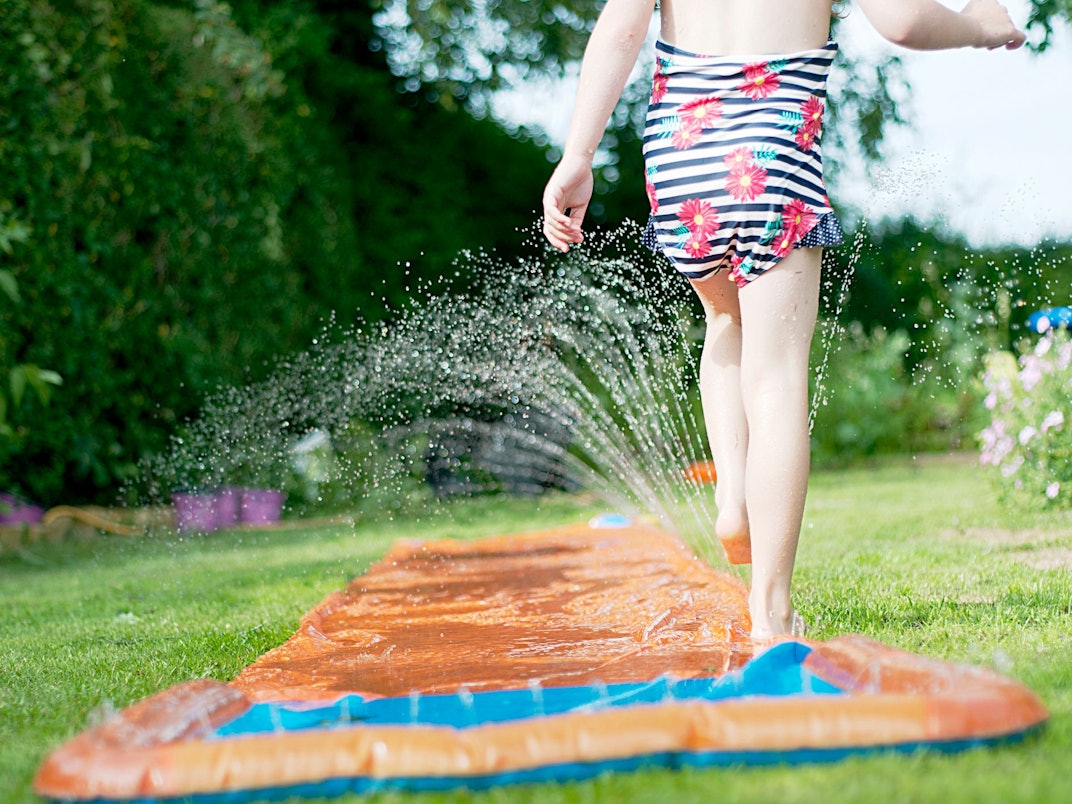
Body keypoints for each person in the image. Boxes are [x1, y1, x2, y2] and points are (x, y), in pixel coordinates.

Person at [542, 0, 1025, 641]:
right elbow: (904, 23)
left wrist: (579, 155)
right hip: (770, 161)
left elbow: (618, 32)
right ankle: (770, 608)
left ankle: (733, 494)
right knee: (776, 382)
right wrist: (977, 25)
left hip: (683, 164)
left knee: (723, 321)